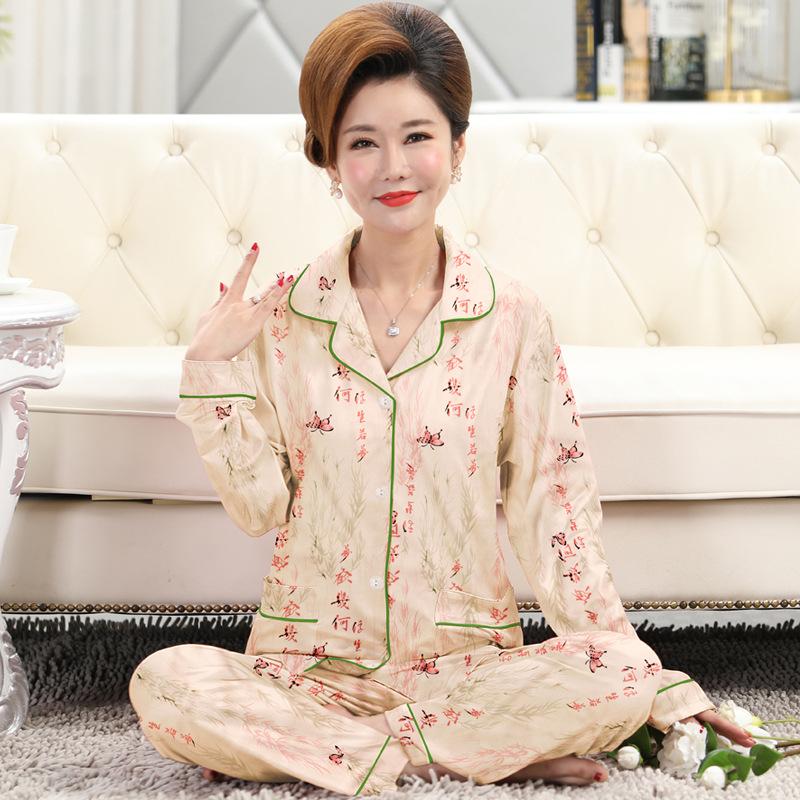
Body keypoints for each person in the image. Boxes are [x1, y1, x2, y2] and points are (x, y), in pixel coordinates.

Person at [128, 2, 754, 795]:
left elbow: (554, 514)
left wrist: (661, 690)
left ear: (458, 148)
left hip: (467, 674)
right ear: (330, 162)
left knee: (625, 670)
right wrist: (210, 371)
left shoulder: (512, 315)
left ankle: (350, 753)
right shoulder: (283, 318)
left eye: (417, 136)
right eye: (363, 142)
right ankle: (455, 754)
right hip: (308, 675)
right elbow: (259, 509)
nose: (394, 167)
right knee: (165, 681)